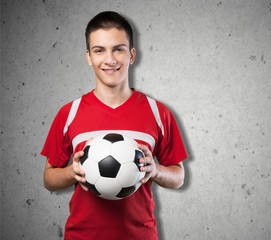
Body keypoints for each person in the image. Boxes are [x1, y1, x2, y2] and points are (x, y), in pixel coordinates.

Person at [41, 11, 188, 240]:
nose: (110, 59)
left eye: (118, 49)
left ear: (131, 55)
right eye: (99, 50)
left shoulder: (158, 112)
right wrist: (72, 172)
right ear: (89, 56)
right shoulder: (69, 113)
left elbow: (179, 176)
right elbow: (48, 177)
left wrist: (155, 170)